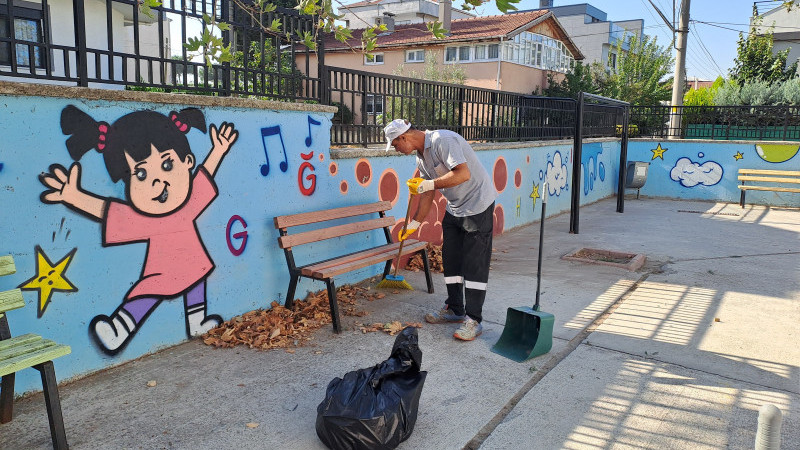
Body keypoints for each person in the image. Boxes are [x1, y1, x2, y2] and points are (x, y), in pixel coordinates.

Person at [40, 105, 238, 354]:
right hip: (162, 271)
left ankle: (197, 321)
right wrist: (75, 197)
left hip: (193, 261)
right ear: (128, 181)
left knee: (196, 281)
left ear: (187, 161)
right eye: (141, 173)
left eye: (167, 165)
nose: (157, 182)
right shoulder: (144, 219)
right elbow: (107, 211)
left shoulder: (189, 203)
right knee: (148, 294)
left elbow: (205, 174)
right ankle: (118, 329)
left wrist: (218, 150)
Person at [384, 119, 496, 341]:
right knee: (451, 259)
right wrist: (415, 223)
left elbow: (463, 174)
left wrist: (429, 184)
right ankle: (455, 309)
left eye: (396, 145)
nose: (397, 150)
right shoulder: (421, 157)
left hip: (478, 205)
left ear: (404, 137)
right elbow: (427, 194)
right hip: (455, 208)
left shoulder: (443, 140)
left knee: (475, 263)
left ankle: (473, 319)